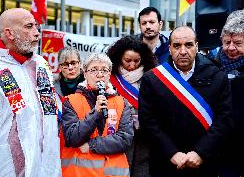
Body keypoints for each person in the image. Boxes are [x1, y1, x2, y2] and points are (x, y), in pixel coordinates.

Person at [0, 8, 61, 177]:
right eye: (29, 27)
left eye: (36, 26)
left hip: (45, 167)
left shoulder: (41, 66)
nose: (36, 33)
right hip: (0, 169)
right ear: (10, 33)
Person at [138, 26, 233, 177]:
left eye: (188, 45)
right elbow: (148, 121)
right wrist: (171, 153)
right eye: (177, 46)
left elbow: (224, 119)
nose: (183, 51)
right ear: (169, 48)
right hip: (165, 163)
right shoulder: (152, 78)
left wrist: (201, 152)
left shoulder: (217, 76)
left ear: (196, 46)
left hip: (204, 163)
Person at [61, 53, 134, 177]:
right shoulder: (71, 101)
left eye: (104, 70)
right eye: (94, 70)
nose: (100, 74)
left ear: (109, 74)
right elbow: (72, 137)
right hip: (80, 173)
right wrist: (95, 113)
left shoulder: (122, 103)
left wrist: (91, 145)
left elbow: (125, 138)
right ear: (85, 74)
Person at [107, 35, 156, 176]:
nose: (132, 65)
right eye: (127, 61)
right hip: (118, 134)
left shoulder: (151, 76)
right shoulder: (110, 78)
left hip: (144, 136)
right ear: (118, 58)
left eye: (137, 61)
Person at [216, 9, 244, 177]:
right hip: (220, 148)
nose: (231, 48)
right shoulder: (210, 66)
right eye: (227, 42)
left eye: (238, 43)